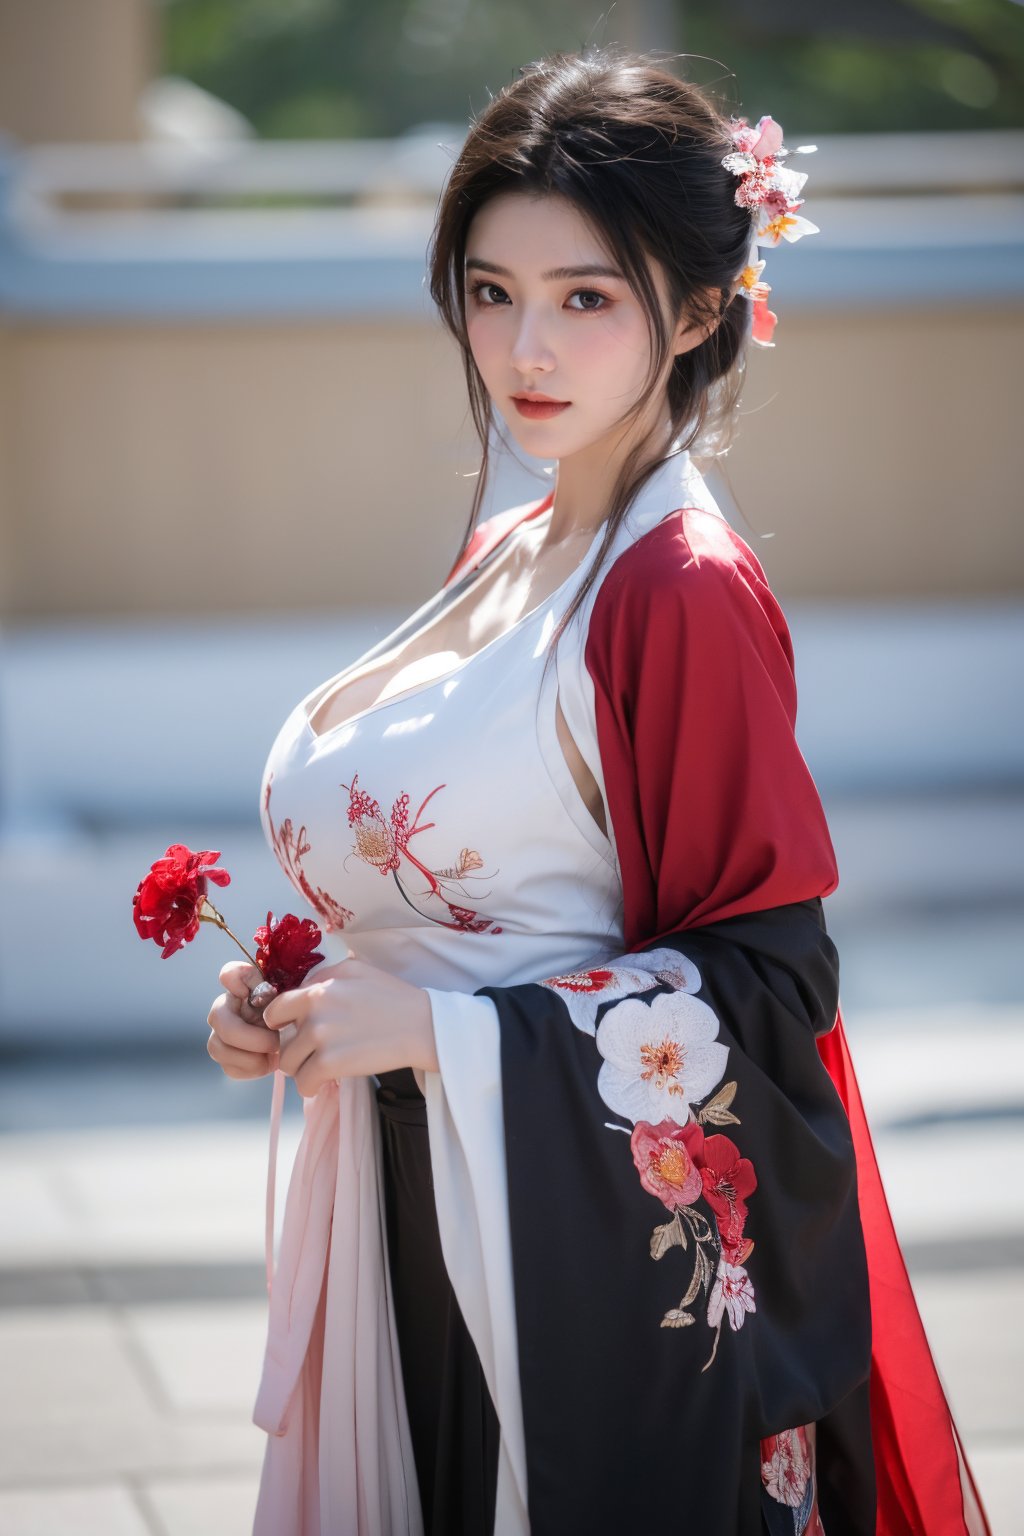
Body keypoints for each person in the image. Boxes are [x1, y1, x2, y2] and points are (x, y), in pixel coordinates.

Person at [205, 45, 990, 1536]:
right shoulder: (519, 547)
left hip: (567, 1252)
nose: (526, 352)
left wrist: (442, 1027)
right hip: (424, 1192)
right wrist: (309, 988)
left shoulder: (674, 588)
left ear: (696, 311)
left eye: (585, 296)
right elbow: (497, 874)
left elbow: (769, 983)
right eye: (491, 292)